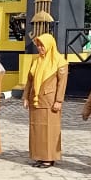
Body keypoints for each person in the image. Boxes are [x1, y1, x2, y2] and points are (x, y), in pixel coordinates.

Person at [23, 33, 69, 168]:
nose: (39, 48)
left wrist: (59, 101)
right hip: (36, 100)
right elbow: (29, 80)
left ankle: (49, 158)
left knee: (50, 130)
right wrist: (26, 97)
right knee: (36, 129)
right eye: (38, 45)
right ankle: (39, 156)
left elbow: (62, 84)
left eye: (42, 45)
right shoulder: (36, 60)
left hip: (50, 101)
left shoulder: (60, 61)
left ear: (49, 45)